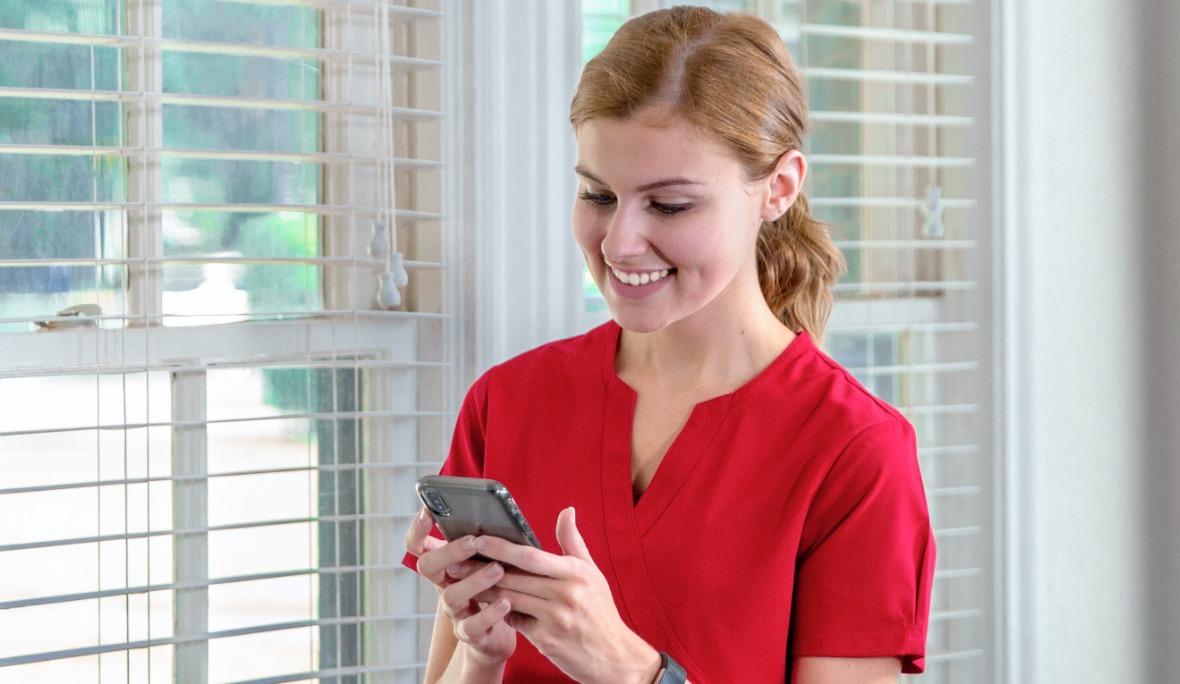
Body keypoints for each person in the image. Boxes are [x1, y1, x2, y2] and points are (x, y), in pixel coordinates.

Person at [402, 6, 935, 683]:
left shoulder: (855, 453)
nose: (619, 243)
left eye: (670, 205)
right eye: (598, 194)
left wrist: (634, 672)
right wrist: (482, 656)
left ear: (778, 188)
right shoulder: (506, 403)